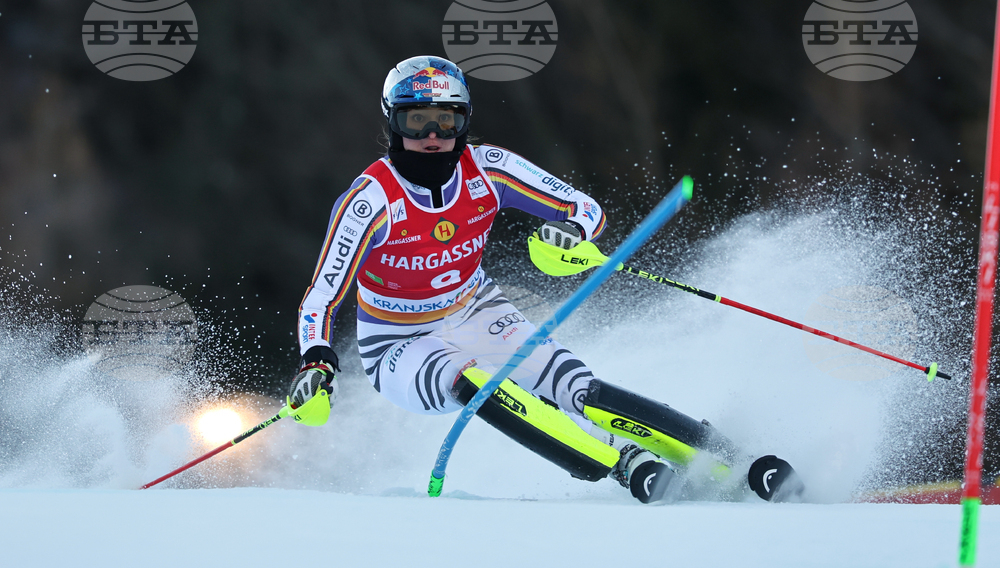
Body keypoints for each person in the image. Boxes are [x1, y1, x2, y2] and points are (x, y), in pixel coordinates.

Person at [288, 56, 787, 503]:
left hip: (477, 310)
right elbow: (322, 297)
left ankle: (734, 459)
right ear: (393, 123)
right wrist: (317, 361)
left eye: (446, 120)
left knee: (575, 388)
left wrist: (569, 232)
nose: (433, 135)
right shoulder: (370, 200)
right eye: (416, 121)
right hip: (398, 343)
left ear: (463, 121)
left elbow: (583, 209)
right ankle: (620, 466)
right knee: (472, 382)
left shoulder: (489, 169)